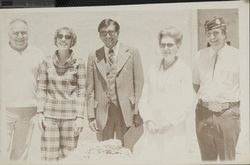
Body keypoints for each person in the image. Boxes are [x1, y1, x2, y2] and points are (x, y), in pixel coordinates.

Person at [134, 26, 195, 161]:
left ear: (178, 46)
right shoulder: (153, 68)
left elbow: (188, 103)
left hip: (174, 131)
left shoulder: (184, 71)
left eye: (170, 45)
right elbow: (144, 99)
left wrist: (169, 123)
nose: (166, 48)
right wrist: (148, 120)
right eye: (162, 45)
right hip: (152, 130)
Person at [86, 18, 144, 148]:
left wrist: (136, 110)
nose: (107, 36)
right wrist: (90, 116)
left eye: (111, 32)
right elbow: (89, 90)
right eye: (103, 33)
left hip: (126, 111)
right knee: (104, 150)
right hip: (102, 112)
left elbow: (139, 84)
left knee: (125, 149)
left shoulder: (132, 52)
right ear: (99, 35)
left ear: (118, 32)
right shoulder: (93, 56)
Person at [193, 17, 240, 161]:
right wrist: (208, 102)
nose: (212, 38)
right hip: (204, 115)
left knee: (227, 159)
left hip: (227, 115)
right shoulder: (199, 55)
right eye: (209, 34)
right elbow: (195, 84)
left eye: (216, 33)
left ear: (225, 34)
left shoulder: (238, 56)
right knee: (207, 160)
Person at [37, 27, 85, 161]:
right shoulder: (46, 62)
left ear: (72, 41)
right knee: (50, 157)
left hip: (71, 117)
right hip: (50, 117)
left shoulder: (79, 63)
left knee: (69, 158)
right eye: (60, 36)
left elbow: (82, 91)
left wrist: (80, 117)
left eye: (67, 37)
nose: (63, 39)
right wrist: (40, 112)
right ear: (56, 39)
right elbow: (41, 88)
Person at [2, 18, 44, 160]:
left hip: (28, 111)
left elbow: (43, 84)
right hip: (4, 111)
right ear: (9, 34)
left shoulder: (37, 54)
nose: (20, 36)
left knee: (19, 156)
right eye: (16, 33)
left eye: (23, 33)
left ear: (28, 34)